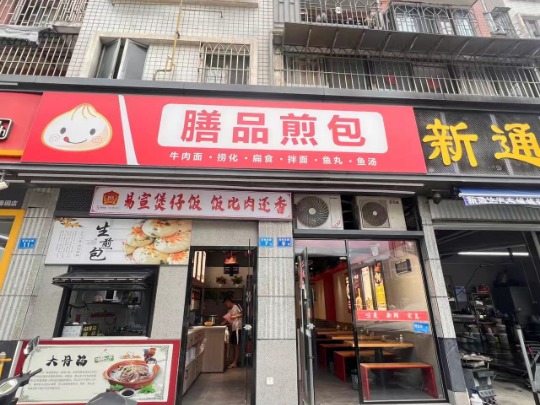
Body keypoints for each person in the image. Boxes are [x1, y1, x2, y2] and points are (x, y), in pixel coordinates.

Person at [221, 297, 242, 369]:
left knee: (236, 346)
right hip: (233, 329)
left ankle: (235, 363)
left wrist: (234, 316)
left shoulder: (236, 306)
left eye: (226, 304)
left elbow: (242, 314)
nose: (226, 305)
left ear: (229, 301)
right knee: (233, 346)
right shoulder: (229, 310)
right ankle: (233, 361)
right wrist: (221, 324)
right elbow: (227, 319)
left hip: (237, 328)